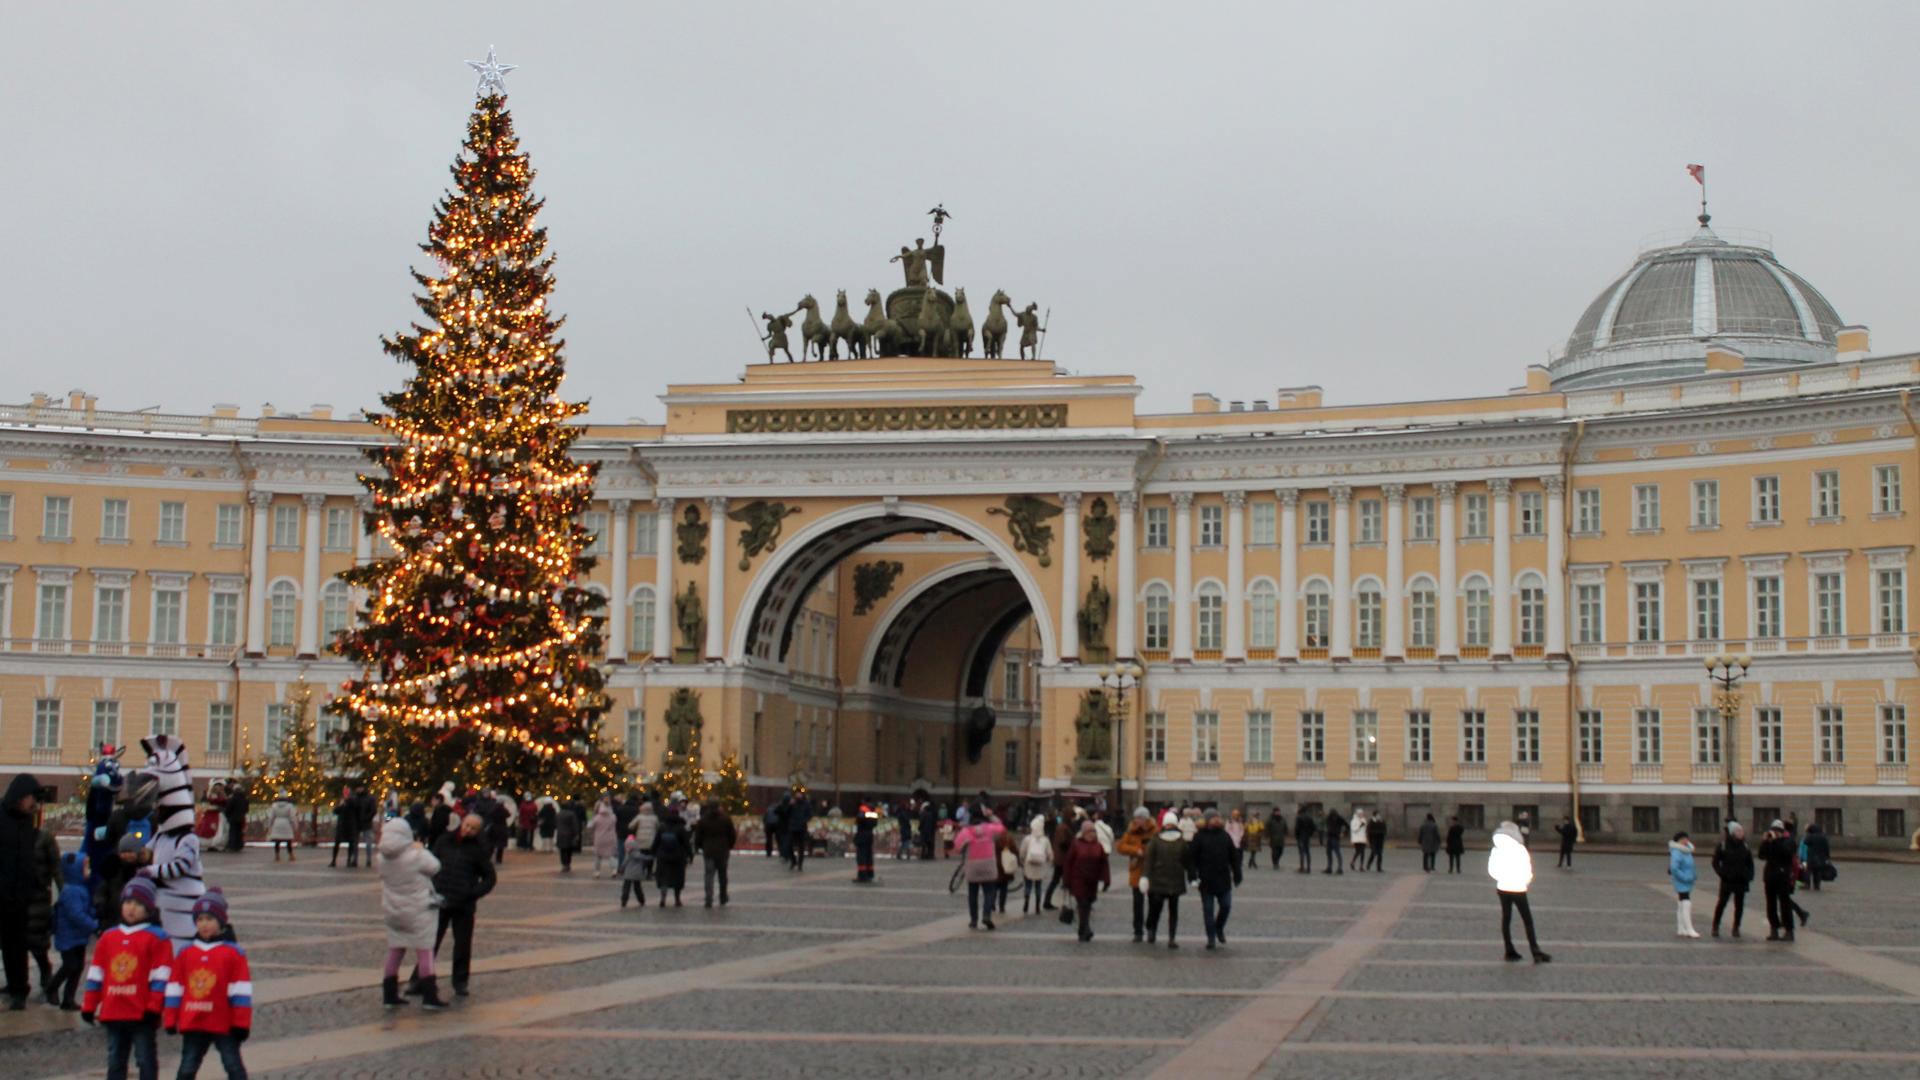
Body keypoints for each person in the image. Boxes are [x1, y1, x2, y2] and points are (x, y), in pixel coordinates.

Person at [82, 876, 171, 1079]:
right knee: (115, 1059)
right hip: (113, 1010)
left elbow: (161, 976)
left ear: (148, 908)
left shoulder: (157, 938)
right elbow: (97, 973)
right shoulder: (109, 937)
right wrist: (89, 1005)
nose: (132, 908)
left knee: (145, 1058)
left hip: (141, 1012)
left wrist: (154, 1006)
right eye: (128, 902)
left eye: (138, 904)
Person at [164, 889, 253, 1078]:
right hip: (194, 1021)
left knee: (233, 1066)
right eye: (200, 919)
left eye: (209, 919)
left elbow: (241, 992)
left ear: (220, 922)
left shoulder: (233, 953)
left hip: (224, 1022)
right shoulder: (186, 952)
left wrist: (241, 1023)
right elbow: (175, 988)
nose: (204, 924)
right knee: (187, 1067)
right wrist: (170, 1018)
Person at [379, 817, 446, 1009]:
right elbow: (435, 867)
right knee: (425, 951)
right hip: (418, 910)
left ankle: (389, 994)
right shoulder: (416, 856)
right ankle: (430, 995)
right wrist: (420, 848)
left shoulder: (382, 858)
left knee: (395, 950)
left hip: (393, 910)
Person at [427, 813, 495, 997]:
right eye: (467, 825)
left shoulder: (479, 850)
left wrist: (473, 893)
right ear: (461, 824)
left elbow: (490, 877)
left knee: (462, 945)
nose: (468, 830)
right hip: (441, 899)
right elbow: (429, 864)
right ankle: (420, 978)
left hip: (463, 904)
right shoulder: (444, 841)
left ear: (478, 832)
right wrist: (433, 886)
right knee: (429, 942)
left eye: (473, 828)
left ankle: (460, 981)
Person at [1487, 820, 1550, 963]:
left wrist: (1501, 878)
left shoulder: (1496, 849)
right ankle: (1535, 950)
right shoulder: (1520, 849)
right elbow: (1527, 869)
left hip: (1502, 888)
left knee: (1506, 919)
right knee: (1527, 920)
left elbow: (1491, 870)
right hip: (1518, 888)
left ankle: (1509, 950)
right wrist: (1524, 881)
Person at [48, 852, 95, 1011]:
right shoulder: (71, 891)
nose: (89, 870)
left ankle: (68, 999)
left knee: (78, 967)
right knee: (70, 965)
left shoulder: (79, 888)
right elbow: (76, 915)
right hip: (69, 937)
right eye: (86, 867)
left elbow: (85, 910)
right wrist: (93, 925)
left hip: (78, 937)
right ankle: (52, 987)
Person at [1191, 810, 1242, 950]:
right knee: (1208, 910)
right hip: (1206, 880)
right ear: (1207, 820)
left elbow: (1234, 858)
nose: (1216, 820)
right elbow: (1192, 858)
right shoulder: (1199, 836)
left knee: (1226, 906)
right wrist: (1192, 876)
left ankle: (1219, 927)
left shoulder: (1225, 836)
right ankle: (1211, 938)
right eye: (1213, 818)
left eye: (1217, 817)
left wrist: (1237, 874)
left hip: (1223, 879)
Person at [1142, 810, 1192, 949]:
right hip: (1158, 879)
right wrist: (1145, 877)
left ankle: (1172, 937)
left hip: (1175, 880)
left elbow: (1187, 861)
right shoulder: (1156, 840)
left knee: (1173, 911)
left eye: (1172, 824)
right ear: (1164, 825)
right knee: (1155, 908)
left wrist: (1193, 876)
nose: (1169, 826)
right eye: (1167, 824)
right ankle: (1151, 929)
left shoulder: (1181, 841)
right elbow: (1149, 861)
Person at [952, 807, 1006, 930]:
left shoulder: (966, 831)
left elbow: (956, 847)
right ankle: (986, 915)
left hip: (972, 865)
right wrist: (992, 815)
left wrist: (964, 848)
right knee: (989, 892)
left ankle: (973, 920)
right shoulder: (990, 828)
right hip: (988, 864)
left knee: (973, 894)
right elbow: (1001, 828)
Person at [1061, 820, 1111, 943]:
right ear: (1083, 832)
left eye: (1093, 831)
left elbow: (1104, 864)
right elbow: (1068, 863)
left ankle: (1082, 930)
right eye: (1089, 831)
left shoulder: (1098, 846)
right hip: (1078, 880)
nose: (1092, 834)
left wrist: (1106, 880)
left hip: (1092, 882)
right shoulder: (1076, 844)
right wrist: (1066, 881)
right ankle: (1086, 929)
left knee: (1087, 906)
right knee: (1083, 904)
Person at [1114, 807, 1156, 942]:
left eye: (1140, 818)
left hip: (1152, 871)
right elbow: (1120, 847)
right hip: (1137, 871)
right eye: (1136, 818)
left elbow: (1159, 846)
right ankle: (1138, 931)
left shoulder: (1155, 830)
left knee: (1154, 902)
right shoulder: (1130, 831)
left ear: (1146, 819)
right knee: (1137, 903)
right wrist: (1135, 850)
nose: (1137, 821)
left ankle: (1151, 928)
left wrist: (1147, 851)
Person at [1710, 821, 1754, 937]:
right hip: (1727, 880)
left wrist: (1749, 875)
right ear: (1733, 833)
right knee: (1722, 903)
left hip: (1741, 880)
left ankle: (1736, 927)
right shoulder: (1723, 845)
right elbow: (1715, 862)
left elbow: (1750, 863)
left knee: (1739, 905)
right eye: (1739, 831)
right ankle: (1716, 925)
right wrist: (1722, 873)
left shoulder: (1745, 846)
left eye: (1742, 831)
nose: (1741, 833)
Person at [1758, 820, 1798, 942]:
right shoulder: (1770, 842)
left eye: (1776, 831)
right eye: (1773, 830)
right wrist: (1765, 842)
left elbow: (1786, 853)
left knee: (1785, 904)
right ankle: (1774, 928)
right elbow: (1761, 855)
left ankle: (1789, 930)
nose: (1774, 833)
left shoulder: (1788, 841)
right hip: (1770, 876)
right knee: (1771, 905)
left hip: (1783, 876)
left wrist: (1776, 840)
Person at [691, 800, 736, 907]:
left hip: (709, 850)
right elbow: (732, 835)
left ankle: (709, 897)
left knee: (709, 875)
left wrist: (700, 846)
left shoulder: (703, 820)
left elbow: (698, 836)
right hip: (722, 851)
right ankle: (723, 896)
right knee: (722, 875)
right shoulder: (725, 819)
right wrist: (729, 846)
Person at [649, 808, 692, 907]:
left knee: (663, 878)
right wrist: (690, 855)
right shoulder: (681, 827)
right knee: (677, 878)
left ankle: (663, 898)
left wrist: (653, 852)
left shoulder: (662, 827)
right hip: (678, 857)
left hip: (663, 856)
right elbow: (686, 843)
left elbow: (656, 841)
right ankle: (677, 899)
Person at [1019, 815, 1053, 914]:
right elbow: (1050, 854)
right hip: (1040, 866)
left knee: (1028, 885)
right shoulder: (1045, 840)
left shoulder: (1027, 839)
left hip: (1028, 865)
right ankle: (1037, 906)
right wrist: (1048, 860)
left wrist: (1022, 860)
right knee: (1038, 886)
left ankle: (1026, 902)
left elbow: (1022, 852)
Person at [1669, 831, 1700, 938]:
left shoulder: (1687, 851)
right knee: (1686, 903)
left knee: (1681, 903)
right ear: (1679, 840)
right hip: (1681, 881)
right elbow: (1674, 868)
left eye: (1687, 838)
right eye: (1683, 839)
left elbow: (1690, 866)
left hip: (1687, 880)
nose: (1686, 841)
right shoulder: (1677, 852)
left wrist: (1693, 875)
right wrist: (1685, 877)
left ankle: (1681, 928)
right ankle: (1689, 928)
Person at [1042, 811, 1074, 910]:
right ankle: (1048, 901)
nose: (1074, 819)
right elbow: (1062, 843)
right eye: (1073, 817)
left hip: (1062, 858)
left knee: (1059, 880)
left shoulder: (1063, 827)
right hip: (1062, 859)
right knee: (1059, 880)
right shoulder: (1062, 827)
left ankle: (1049, 901)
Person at [589, 799, 619, 878]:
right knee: (611, 855)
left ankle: (597, 872)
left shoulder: (597, 818)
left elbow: (591, 827)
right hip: (610, 838)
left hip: (599, 838)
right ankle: (614, 870)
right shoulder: (613, 817)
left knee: (598, 856)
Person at [330, 787, 359, 868]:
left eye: (347, 793)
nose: (345, 794)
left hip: (350, 824)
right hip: (341, 824)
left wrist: (346, 802)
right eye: (344, 793)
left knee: (351, 843)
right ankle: (333, 860)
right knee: (337, 843)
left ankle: (349, 860)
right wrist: (341, 804)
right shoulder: (341, 801)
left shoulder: (353, 801)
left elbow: (355, 808)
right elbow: (335, 810)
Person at [853, 800, 879, 883]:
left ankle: (862, 876)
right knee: (868, 856)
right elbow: (875, 823)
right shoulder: (873, 811)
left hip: (862, 835)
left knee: (861, 856)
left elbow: (858, 820)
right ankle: (870, 874)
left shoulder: (863, 809)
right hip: (869, 835)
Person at [267, 791, 298, 862]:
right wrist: (295, 826)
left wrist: (269, 825)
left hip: (277, 823)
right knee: (288, 840)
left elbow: (271, 817)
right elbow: (293, 817)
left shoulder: (274, 806)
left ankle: (277, 856)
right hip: (286, 823)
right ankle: (291, 855)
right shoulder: (290, 806)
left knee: (277, 841)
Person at [786, 794, 813, 872]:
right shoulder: (792, 803)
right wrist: (790, 805)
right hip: (792, 827)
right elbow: (786, 813)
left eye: (799, 794)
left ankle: (800, 864)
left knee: (801, 847)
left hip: (802, 828)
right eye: (797, 794)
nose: (798, 795)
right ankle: (793, 861)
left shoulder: (806, 804)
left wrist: (803, 821)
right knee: (788, 845)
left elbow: (810, 815)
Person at [1802, 822, 1833, 891]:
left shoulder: (1811, 836)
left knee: (1808, 871)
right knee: (1817, 871)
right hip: (1820, 857)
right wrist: (1827, 857)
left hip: (1811, 856)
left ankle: (1807, 884)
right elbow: (1826, 848)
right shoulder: (1823, 837)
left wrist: (1808, 833)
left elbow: (1805, 842)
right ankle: (1817, 885)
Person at [554, 798, 581, 873]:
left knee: (562, 851)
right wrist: (576, 834)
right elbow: (575, 825)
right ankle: (568, 864)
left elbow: (555, 824)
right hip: (569, 835)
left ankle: (564, 864)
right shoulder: (571, 814)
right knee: (569, 851)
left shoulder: (558, 814)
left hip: (560, 834)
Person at [223, 783, 249, 854]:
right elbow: (246, 809)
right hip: (241, 818)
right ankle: (239, 845)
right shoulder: (244, 799)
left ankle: (232, 846)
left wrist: (228, 815)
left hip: (233, 818)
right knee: (239, 832)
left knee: (233, 832)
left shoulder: (233, 799)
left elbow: (228, 808)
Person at [1323, 806, 1346, 875]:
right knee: (1328, 852)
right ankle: (1329, 867)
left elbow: (1347, 825)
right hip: (1330, 837)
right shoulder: (1328, 818)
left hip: (1335, 837)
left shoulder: (1339, 818)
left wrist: (1343, 833)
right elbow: (1327, 825)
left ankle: (1340, 868)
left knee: (1337, 853)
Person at [1294, 806, 1317, 873]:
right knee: (1307, 852)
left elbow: (1297, 828)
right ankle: (1309, 867)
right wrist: (1310, 834)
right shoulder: (1310, 817)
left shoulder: (1299, 817)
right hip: (1307, 837)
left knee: (1301, 853)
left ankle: (1302, 867)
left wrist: (1296, 836)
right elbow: (1314, 827)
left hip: (1301, 837)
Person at [1267, 806, 1289, 872]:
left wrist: (1286, 833)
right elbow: (1267, 828)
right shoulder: (1270, 820)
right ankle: (1275, 863)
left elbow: (1285, 827)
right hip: (1273, 838)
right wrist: (1268, 836)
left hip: (1281, 838)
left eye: (1279, 812)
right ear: (1274, 812)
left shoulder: (1282, 819)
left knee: (1281, 851)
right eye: (1276, 812)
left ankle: (1277, 861)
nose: (1278, 813)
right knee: (1274, 852)